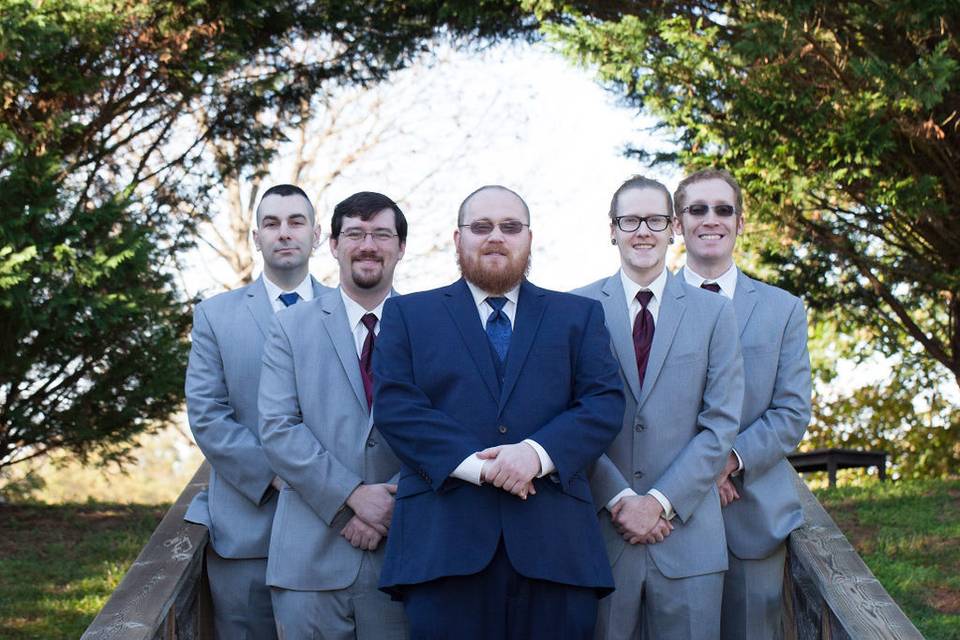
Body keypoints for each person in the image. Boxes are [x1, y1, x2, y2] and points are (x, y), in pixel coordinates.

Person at [372, 185, 624, 640]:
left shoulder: (579, 316)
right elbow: (397, 407)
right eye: (481, 227)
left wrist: (535, 454)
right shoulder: (407, 314)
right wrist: (483, 469)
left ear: (529, 238)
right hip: (442, 548)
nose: (495, 237)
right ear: (457, 238)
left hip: (558, 551)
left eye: (510, 227)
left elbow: (603, 403)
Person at [574, 175, 744, 640]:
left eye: (654, 219)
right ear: (612, 229)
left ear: (672, 228)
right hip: (601, 534)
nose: (642, 231)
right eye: (630, 220)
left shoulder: (714, 313)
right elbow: (566, 418)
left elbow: (720, 424)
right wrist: (621, 499)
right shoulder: (575, 308)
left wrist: (661, 503)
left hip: (688, 538)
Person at [258, 191, 409, 639]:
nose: (368, 245)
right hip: (309, 561)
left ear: (401, 247)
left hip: (404, 557)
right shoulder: (290, 326)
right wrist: (352, 498)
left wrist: (392, 501)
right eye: (355, 234)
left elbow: (450, 426)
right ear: (334, 244)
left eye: (381, 234)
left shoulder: (431, 325)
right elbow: (278, 429)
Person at [184, 184, 329, 639]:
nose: (284, 233)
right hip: (247, 530)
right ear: (256, 237)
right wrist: (279, 473)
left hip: (335, 533)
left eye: (296, 222)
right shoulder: (215, 316)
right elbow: (207, 413)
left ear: (317, 234)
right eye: (271, 223)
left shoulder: (348, 312)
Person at [674, 169, 811, 640]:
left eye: (723, 209)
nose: (710, 220)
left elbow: (791, 412)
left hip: (752, 517)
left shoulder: (783, 309)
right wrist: (696, 473)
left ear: (740, 222)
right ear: (677, 223)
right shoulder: (651, 307)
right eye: (697, 209)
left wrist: (727, 463)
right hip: (669, 516)